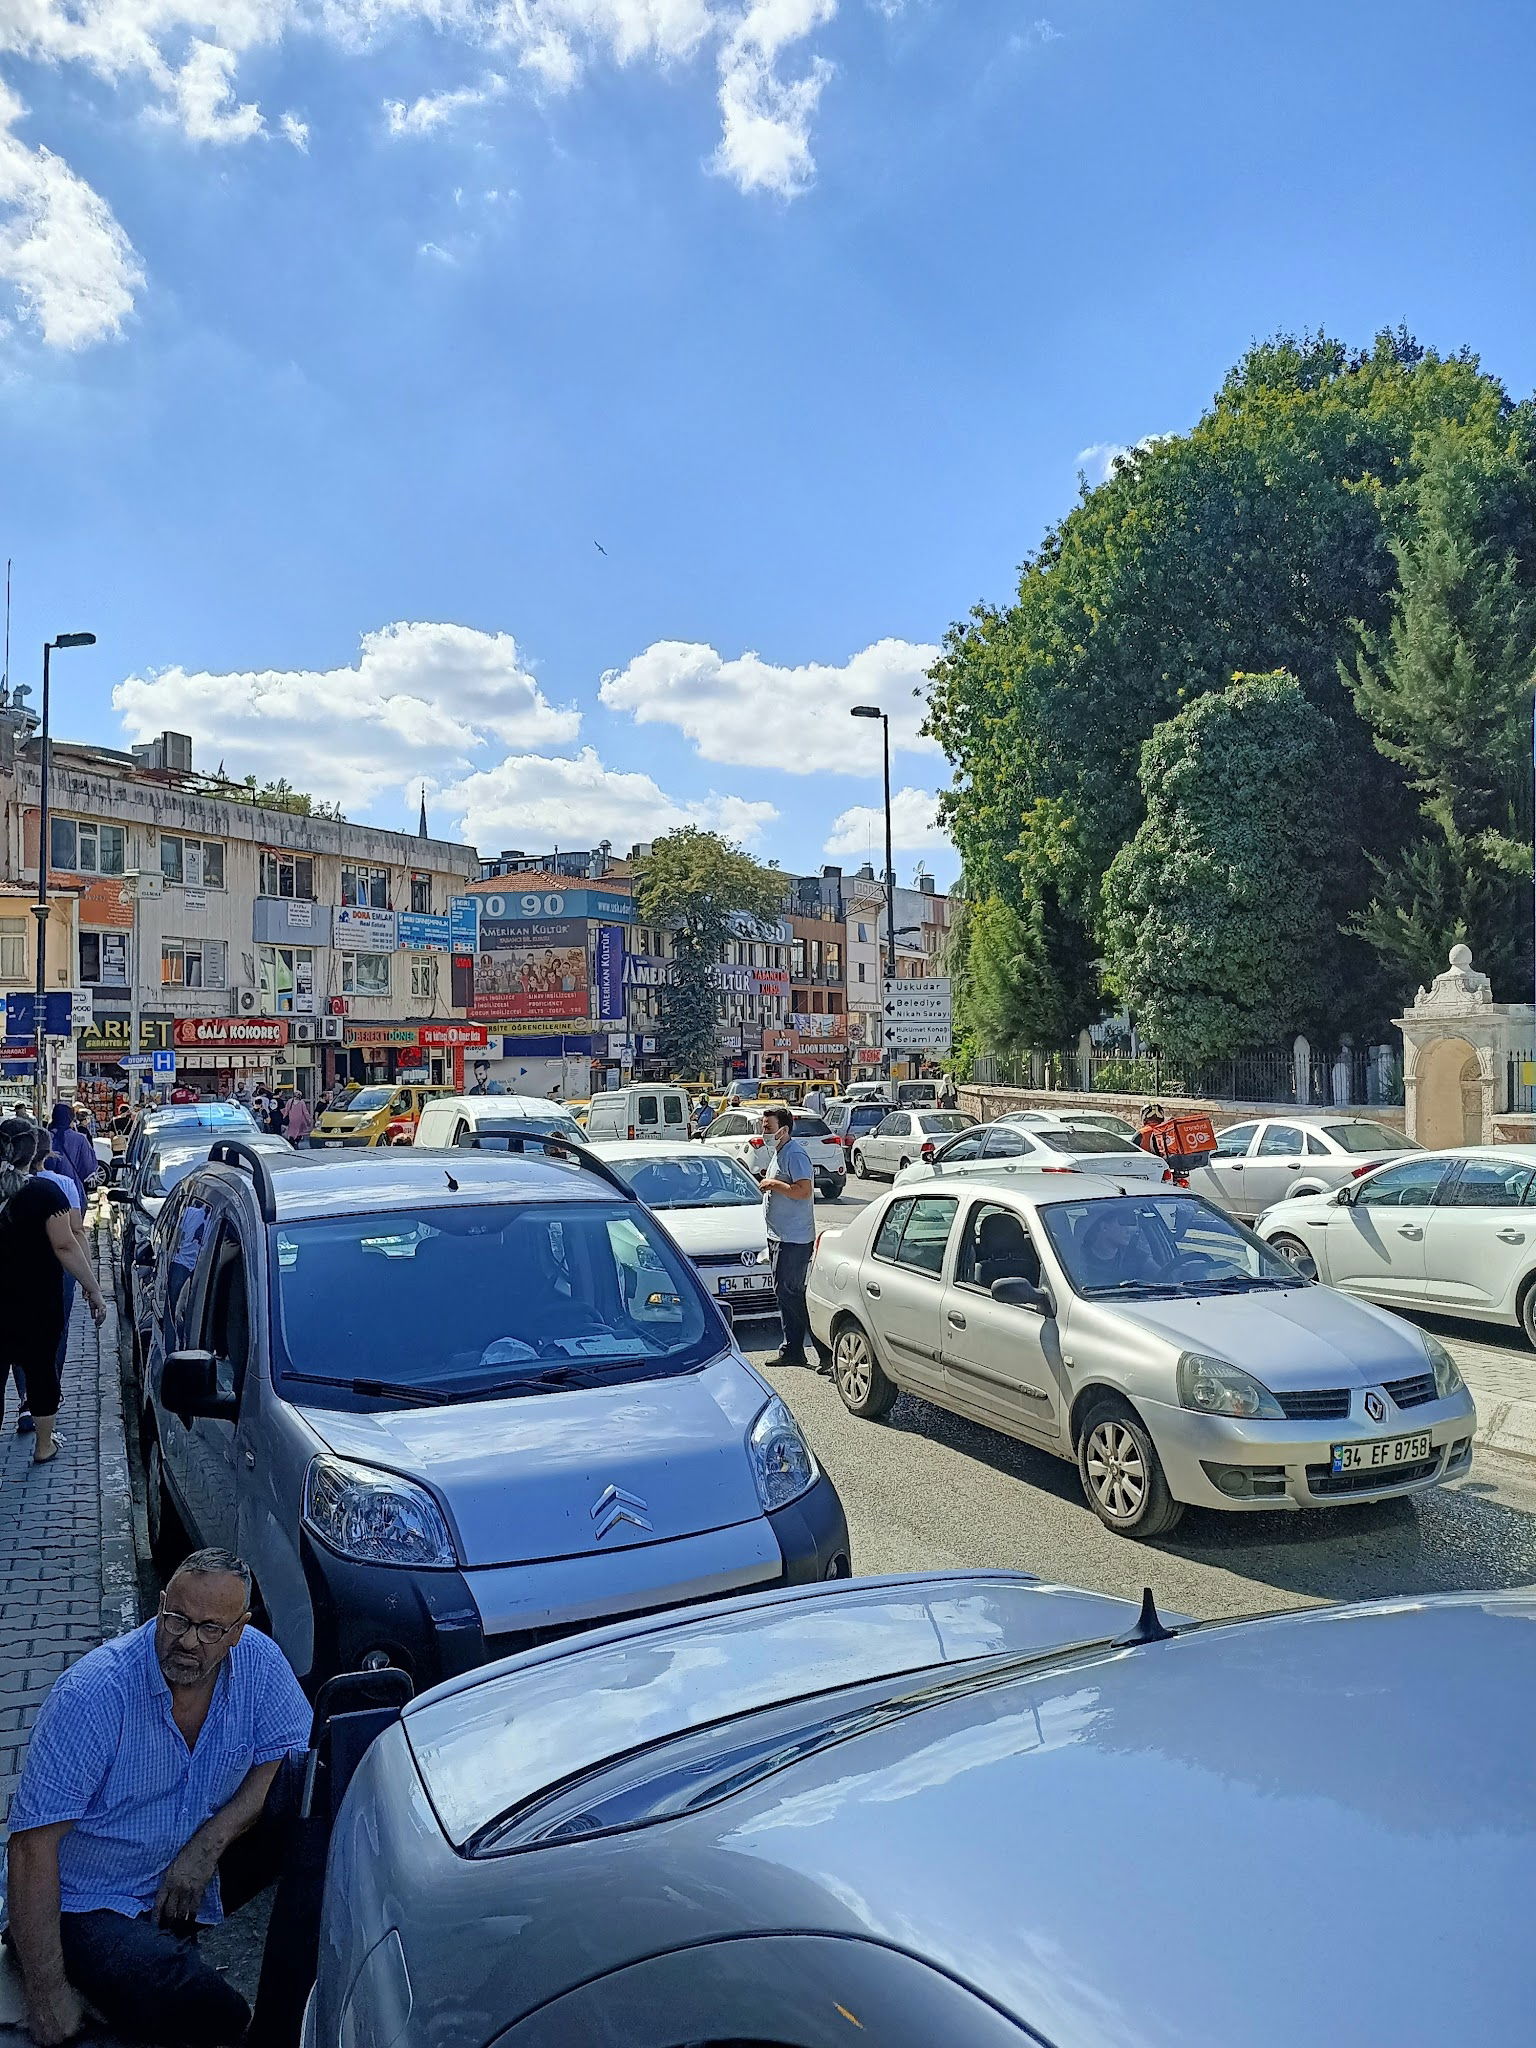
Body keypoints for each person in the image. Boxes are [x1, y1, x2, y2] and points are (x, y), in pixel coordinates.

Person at [5, 1548, 313, 2048]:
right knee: (203, 2004)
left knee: (313, 1791)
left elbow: (286, 1753)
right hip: (86, 1901)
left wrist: (209, 1845)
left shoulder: (257, 1660)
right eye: (177, 1620)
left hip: (180, 1861)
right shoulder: (91, 1695)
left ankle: (298, 1987)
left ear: (238, 1630)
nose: (188, 1641)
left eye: (210, 1629)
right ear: (162, 1604)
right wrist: (47, 1994)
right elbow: (29, 1849)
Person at [0, 1119, 107, 1465]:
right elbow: (65, 1245)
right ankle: (44, 1445)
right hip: (36, 1299)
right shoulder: (46, 1193)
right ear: (33, 1153)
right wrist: (93, 1289)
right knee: (40, 1367)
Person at [756, 1106, 830, 1373]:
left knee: (792, 1294)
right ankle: (793, 1351)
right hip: (779, 1235)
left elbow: (803, 1190)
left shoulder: (795, 1154)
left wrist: (773, 1184)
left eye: (768, 1127)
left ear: (784, 1130)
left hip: (794, 1239)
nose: (764, 1131)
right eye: (763, 1126)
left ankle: (826, 1353)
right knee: (784, 1294)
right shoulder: (779, 1152)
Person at [46, 1105, 97, 1208]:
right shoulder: (80, 1139)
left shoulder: (45, 1137)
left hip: (48, 1191)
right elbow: (89, 1167)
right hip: (73, 1191)